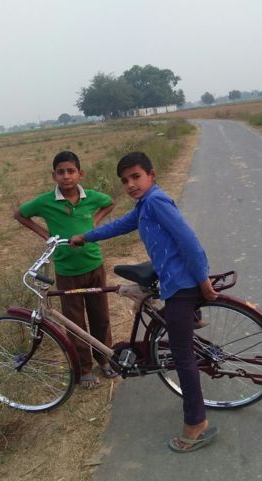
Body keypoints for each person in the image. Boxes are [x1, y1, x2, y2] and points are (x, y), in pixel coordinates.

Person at [70, 151, 219, 453]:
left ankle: (196, 423)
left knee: (182, 356)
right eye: (125, 180)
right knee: (176, 332)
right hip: (174, 281)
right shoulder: (144, 205)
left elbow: (188, 240)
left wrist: (203, 280)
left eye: (136, 177)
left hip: (182, 284)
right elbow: (120, 225)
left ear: (152, 175)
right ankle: (190, 320)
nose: (131, 184)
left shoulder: (156, 201)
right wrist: (86, 236)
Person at [14, 150, 117, 389]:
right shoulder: (45, 202)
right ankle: (85, 368)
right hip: (67, 271)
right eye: (61, 172)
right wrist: (46, 235)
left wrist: (94, 222)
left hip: (94, 265)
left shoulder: (91, 197)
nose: (66, 176)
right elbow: (20, 214)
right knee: (74, 321)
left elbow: (110, 203)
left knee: (101, 317)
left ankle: (105, 359)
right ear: (54, 176)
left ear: (80, 174)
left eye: (71, 171)